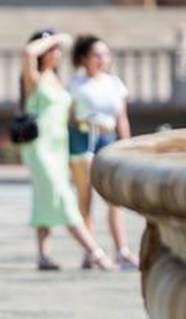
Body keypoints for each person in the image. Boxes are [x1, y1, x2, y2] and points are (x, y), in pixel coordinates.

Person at [20, 29, 116, 271]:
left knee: (44, 199)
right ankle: (96, 253)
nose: (56, 53)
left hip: (60, 147)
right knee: (64, 198)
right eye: (51, 50)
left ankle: (43, 256)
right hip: (39, 148)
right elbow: (27, 52)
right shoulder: (34, 77)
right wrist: (54, 38)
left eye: (57, 50)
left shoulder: (58, 79)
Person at [67, 35, 140, 271]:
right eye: (97, 55)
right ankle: (91, 251)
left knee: (113, 198)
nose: (102, 59)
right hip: (83, 138)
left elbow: (122, 117)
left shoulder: (114, 83)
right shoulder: (75, 85)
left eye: (105, 54)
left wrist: (127, 146)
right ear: (84, 58)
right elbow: (67, 117)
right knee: (85, 197)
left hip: (107, 138)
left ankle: (122, 250)